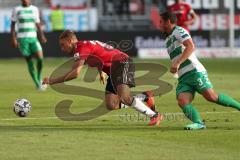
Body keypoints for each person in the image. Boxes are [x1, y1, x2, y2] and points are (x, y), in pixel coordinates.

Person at [42, 30, 164, 126]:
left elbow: (75, 73)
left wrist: (52, 81)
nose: (62, 49)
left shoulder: (81, 47)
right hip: (112, 69)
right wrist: (101, 71)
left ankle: (154, 115)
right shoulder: (83, 47)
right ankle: (145, 96)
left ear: (70, 41)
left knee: (124, 97)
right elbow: (99, 54)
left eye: (63, 45)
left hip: (122, 63)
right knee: (111, 105)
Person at [159, 11, 240, 130]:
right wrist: (176, 67)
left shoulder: (179, 31)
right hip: (183, 76)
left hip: (194, 71)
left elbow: (190, 46)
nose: (159, 24)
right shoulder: (167, 39)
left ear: (168, 21)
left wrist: (177, 62)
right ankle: (199, 123)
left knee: (211, 97)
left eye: (161, 22)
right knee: (182, 101)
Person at [11, 0, 47, 90]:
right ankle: (37, 84)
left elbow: (38, 23)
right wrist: (13, 38)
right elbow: (12, 25)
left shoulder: (34, 9)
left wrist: (42, 36)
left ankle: (39, 77)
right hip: (22, 39)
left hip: (33, 38)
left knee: (40, 59)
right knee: (29, 61)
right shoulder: (16, 9)